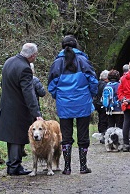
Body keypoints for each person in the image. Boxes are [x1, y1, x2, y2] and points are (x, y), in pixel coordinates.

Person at [48, 34, 98, 175]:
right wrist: (91, 94)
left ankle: (67, 168)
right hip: (83, 103)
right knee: (83, 135)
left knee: (66, 135)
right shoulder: (83, 60)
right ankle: (83, 167)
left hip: (64, 104)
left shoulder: (57, 63)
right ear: (76, 45)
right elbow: (93, 81)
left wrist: (58, 96)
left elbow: (51, 85)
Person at [0, 43, 43, 176]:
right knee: (18, 137)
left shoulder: (8, 62)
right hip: (19, 108)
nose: (35, 57)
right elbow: (29, 93)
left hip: (6, 105)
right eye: (35, 55)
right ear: (32, 55)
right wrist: (36, 113)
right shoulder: (25, 68)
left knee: (11, 137)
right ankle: (15, 166)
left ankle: (12, 164)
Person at [93, 69, 110, 144]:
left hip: (97, 103)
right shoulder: (105, 85)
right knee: (104, 120)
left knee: (101, 119)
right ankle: (103, 135)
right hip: (102, 104)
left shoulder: (98, 83)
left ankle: (101, 134)